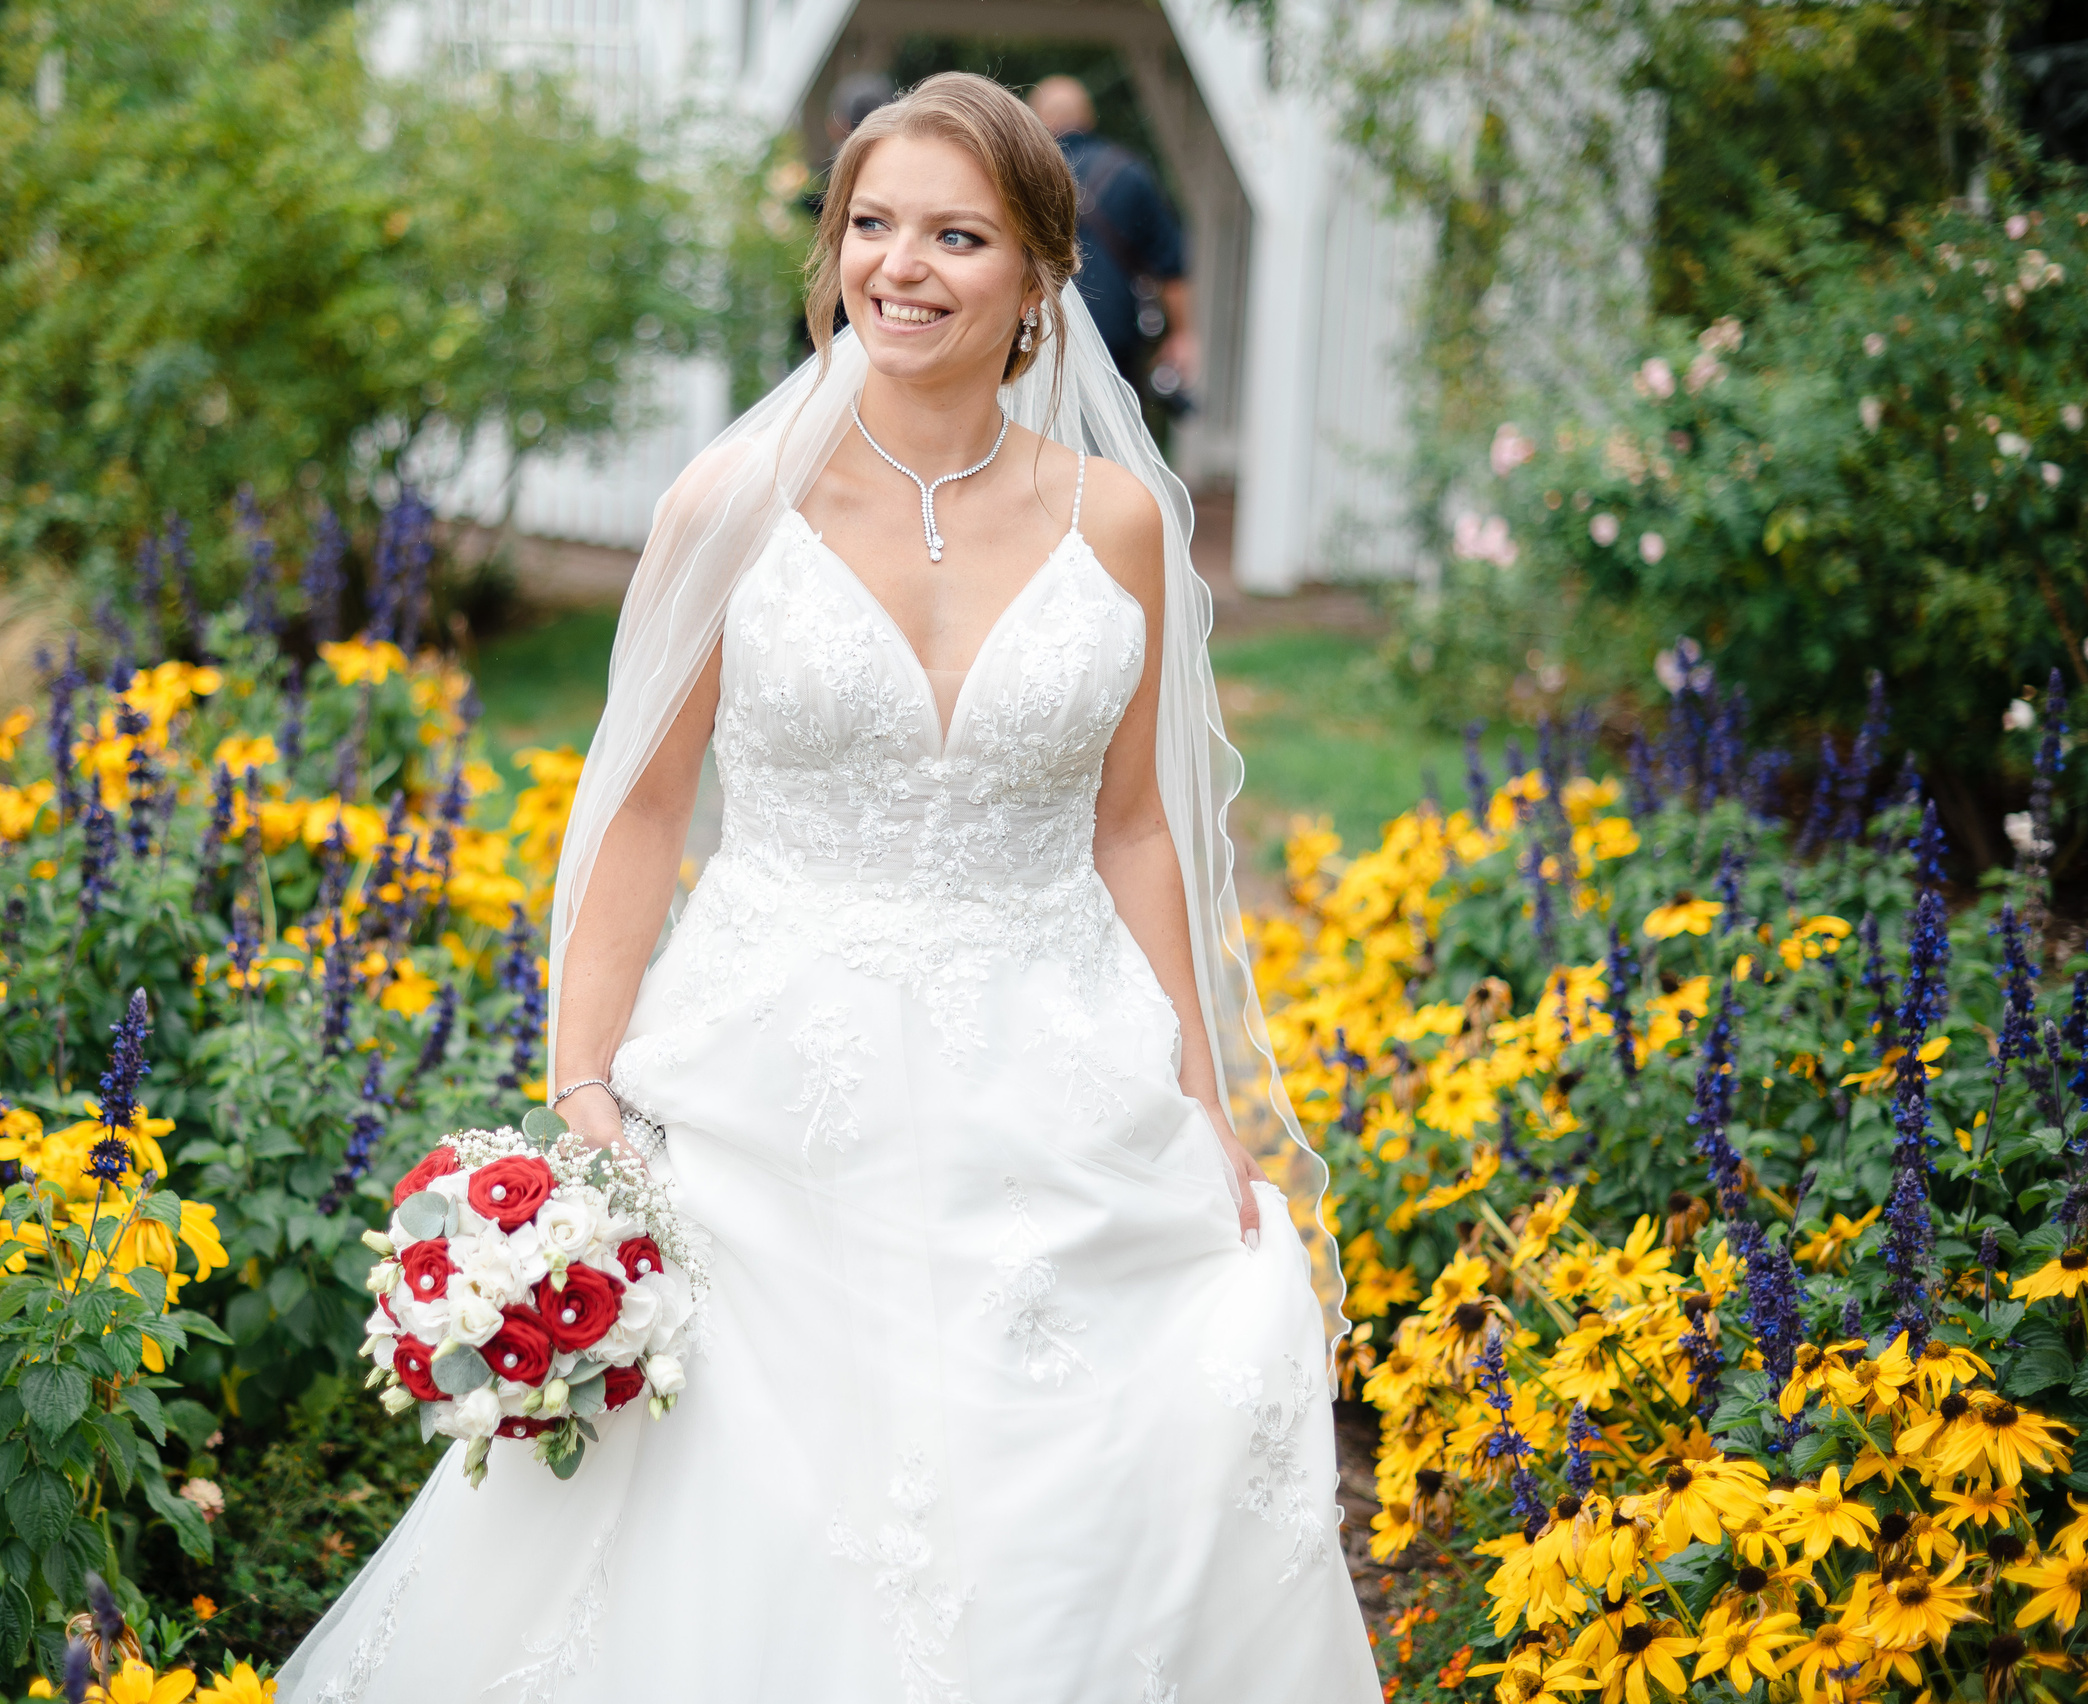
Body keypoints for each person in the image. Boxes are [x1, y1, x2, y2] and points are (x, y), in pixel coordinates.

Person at [273, 72, 1376, 1702]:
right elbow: (641, 803)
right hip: (770, 1070)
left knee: (1101, 1447)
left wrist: (1201, 1090)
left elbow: (1135, 824)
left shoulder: (1124, 521)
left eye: (955, 232)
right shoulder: (728, 505)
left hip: (1052, 1064)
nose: (901, 265)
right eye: (870, 225)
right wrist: (584, 1079)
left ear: (1041, 276)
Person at [1027, 74, 1200, 402]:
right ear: (1089, 117)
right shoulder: (1128, 173)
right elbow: (1170, 263)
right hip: (1114, 346)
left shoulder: (1021, 174)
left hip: (1036, 334)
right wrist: (1182, 334)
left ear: (1035, 119)